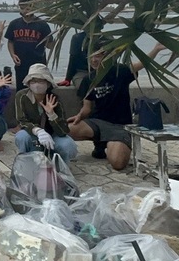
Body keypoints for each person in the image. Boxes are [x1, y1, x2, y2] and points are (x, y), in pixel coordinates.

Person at [68, 42, 166, 170]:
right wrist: (79, 116)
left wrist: (156, 49)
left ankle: (109, 146)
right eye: (91, 56)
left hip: (120, 126)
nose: (94, 60)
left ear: (108, 56)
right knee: (66, 130)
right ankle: (100, 144)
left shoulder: (120, 71)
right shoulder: (88, 79)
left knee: (118, 163)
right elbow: (87, 108)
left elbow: (141, 64)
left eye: (98, 56)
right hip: (98, 123)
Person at [14, 64, 77, 163]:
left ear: (48, 83)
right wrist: (38, 131)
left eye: (41, 81)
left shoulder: (54, 98)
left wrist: (52, 115)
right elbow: (21, 120)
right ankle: (27, 162)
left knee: (68, 145)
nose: (37, 84)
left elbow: (63, 130)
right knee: (22, 137)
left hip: (53, 135)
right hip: (32, 134)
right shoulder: (21, 96)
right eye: (33, 81)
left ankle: (60, 166)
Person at [5, 0, 54, 89]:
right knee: (21, 90)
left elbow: (49, 45)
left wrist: (56, 37)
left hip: (38, 64)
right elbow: (10, 41)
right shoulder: (14, 24)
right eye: (22, 8)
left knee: (38, 90)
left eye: (27, 8)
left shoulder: (42, 24)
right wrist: (12, 55)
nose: (24, 11)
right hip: (21, 64)